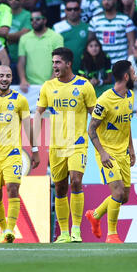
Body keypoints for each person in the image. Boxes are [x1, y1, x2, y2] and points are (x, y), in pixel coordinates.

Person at [34, 47, 96, 243]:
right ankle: (64, 233)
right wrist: (35, 144)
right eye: (53, 62)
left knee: (76, 181)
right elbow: (38, 113)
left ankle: (76, 229)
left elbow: (95, 115)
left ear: (68, 64)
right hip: (56, 145)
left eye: (58, 62)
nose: (54, 66)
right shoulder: (48, 86)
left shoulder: (84, 86)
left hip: (78, 143)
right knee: (60, 188)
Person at [0, 65, 40, 243]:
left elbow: (28, 126)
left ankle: (10, 230)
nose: (4, 79)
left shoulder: (20, 100)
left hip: (12, 153)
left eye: (8, 76)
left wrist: (35, 150)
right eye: (1, 76)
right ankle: (3, 229)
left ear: (12, 79)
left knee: (13, 189)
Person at [85, 60, 136, 243]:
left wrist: (131, 148)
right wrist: (103, 153)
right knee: (117, 193)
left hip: (123, 152)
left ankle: (96, 215)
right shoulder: (104, 100)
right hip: (106, 153)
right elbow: (91, 129)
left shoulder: (130, 96)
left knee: (125, 197)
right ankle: (112, 235)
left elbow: (126, 123)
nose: (136, 75)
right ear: (126, 76)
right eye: (133, 72)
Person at [17, 8, 64, 92]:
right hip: (30, 87)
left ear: (44, 20)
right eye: (32, 19)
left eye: (37, 19)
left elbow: (59, 62)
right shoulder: (24, 38)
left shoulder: (56, 37)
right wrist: (23, 80)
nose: (34, 21)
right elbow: (21, 62)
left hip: (52, 85)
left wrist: (51, 81)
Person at [88, 0, 135, 64]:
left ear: (115, 0)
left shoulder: (126, 20)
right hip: (102, 65)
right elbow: (90, 43)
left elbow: (131, 43)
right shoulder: (94, 21)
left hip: (121, 65)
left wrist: (129, 63)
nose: (106, 2)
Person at [53, 0, 89, 75]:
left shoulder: (87, 27)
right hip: (62, 71)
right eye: (69, 9)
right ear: (65, 11)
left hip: (82, 71)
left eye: (75, 9)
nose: (72, 11)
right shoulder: (57, 27)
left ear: (80, 10)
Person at [6, 0, 32, 84]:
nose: (13, 0)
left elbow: (24, 34)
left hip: (20, 58)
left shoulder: (27, 15)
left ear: (22, 0)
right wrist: (14, 37)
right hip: (4, 56)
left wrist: (5, 36)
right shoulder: (4, 12)